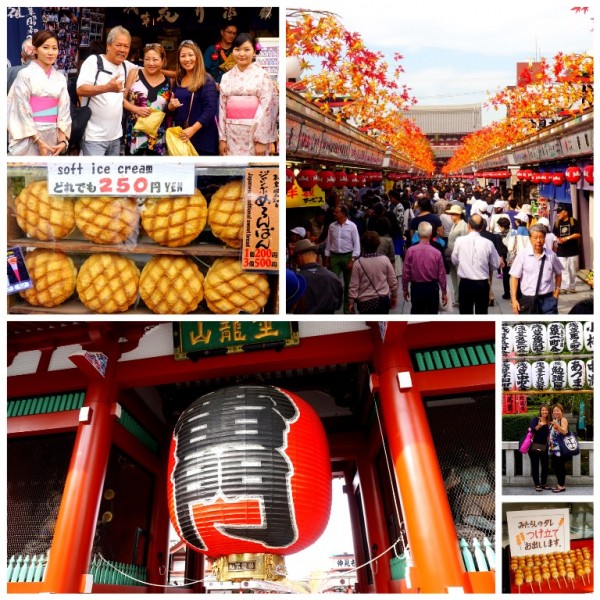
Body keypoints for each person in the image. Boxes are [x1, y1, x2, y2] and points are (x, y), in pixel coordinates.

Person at [7, 30, 71, 156]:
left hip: (53, 135)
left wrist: (63, 140)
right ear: (35, 50)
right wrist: (38, 140)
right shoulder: (25, 74)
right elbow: (21, 108)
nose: (51, 52)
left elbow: (64, 111)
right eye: (45, 47)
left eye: (54, 48)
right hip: (29, 136)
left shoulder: (60, 78)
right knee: (29, 173)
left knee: (47, 174)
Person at [218, 33, 278, 156]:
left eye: (246, 49)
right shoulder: (226, 77)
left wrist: (261, 140)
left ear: (254, 52)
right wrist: (222, 138)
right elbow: (222, 108)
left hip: (254, 134)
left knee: (254, 170)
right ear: (232, 51)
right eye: (237, 49)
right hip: (231, 133)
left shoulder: (262, 76)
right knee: (234, 171)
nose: (241, 54)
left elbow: (268, 107)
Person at [76, 26, 131, 156]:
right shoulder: (94, 62)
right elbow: (80, 89)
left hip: (116, 136)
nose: (122, 50)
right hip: (93, 137)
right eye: (119, 45)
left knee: (110, 175)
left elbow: (150, 68)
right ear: (108, 45)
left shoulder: (125, 65)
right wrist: (107, 87)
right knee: (93, 175)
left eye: (126, 46)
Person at [168, 40, 219, 156]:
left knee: (203, 174)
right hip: (183, 140)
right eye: (183, 56)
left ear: (197, 56)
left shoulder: (206, 79)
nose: (187, 59)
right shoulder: (179, 80)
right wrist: (171, 107)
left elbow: (210, 110)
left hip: (203, 140)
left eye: (190, 55)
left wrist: (192, 129)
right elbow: (172, 111)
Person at [123, 43, 171, 155]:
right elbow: (121, 100)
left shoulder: (169, 81)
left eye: (155, 59)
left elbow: (169, 110)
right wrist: (135, 109)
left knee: (155, 171)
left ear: (163, 61)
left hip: (157, 137)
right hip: (134, 134)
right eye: (147, 59)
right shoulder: (134, 73)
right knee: (133, 170)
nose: (151, 63)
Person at [451, 214, 500, 314]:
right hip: (482, 284)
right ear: (482, 227)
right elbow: (495, 264)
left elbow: (454, 260)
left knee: (465, 313)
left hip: (465, 283)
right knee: (481, 313)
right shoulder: (488, 243)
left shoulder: (459, 241)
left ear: (468, 225)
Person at [509, 223, 562, 314]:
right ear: (530, 239)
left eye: (541, 237)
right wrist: (514, 300)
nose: (538, 241)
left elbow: (559, 273)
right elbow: (514, 278)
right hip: (528, 299)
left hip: (548, 299)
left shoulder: (551, 255)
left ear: (545, 238)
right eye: (535, 237)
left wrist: (557, 292)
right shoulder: (522, 255)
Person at [402, 222, 447, 314]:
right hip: (432, 288)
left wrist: (405, 288)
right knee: (432, 315)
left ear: (418, 234)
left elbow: (406, 272)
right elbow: (441, 273)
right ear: (430, 234)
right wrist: (444, 291)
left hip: (416, 288)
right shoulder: (436, 252)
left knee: (416, 313)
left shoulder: (410, 251)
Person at [348, 231, 398, 314]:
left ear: (362, 245)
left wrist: (351, 302)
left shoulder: (358, 263)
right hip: (383, 300)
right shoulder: (385, 260)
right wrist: (394, 295)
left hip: (365, 303)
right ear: (377, 244)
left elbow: (354, 285)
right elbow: (392, 280)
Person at [325, 204, 361, 314]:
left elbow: (356, 244)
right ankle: (334, 306)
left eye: (337, 212)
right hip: (334, 256)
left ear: (344, 214)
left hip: (348, 256)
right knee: (334, 284)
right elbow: (328, 242)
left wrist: (352, 259)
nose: (334, 214)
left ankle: (347, 308)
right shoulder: (332, 226)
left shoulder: (352, 226)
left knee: (349, 285)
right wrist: (327, 259)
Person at [291, 239, 343, 314]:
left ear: (299, 258)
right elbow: (338, 305)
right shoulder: (333, 277)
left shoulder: (296, 280)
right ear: (316, 256)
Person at [552, 204, 581, 294]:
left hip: (572, 250)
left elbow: (578, 234)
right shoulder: (557, 223)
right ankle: (564, 287)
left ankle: (572, 287)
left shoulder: (573, 221)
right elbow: (554, 235)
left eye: (559, 212)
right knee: (562, 269)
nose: (557, 214)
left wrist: (567, 238)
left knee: (572, 269)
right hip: (561, 250)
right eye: (557, 212)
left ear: (565, 212)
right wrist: (557, 239)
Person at [203, 22, 238, 88]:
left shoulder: (237, 50)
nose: (232, 35)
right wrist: (212, 83)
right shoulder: (211, 50)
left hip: (233, 87)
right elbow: (202, 70)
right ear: (222, 32)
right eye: (229, 32)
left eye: (234, 33)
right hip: (213, 88)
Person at [445, 204, 468, 306]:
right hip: (452, 255)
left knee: (459, 278)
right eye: (451, 214)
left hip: (459, 256)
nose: (451, 216)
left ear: (459, 215)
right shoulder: (455, 224)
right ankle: (457, 298)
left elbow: (464, 242)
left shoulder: (463, 226)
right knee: (454, 278)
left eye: (453, 214)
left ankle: (461, 299)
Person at [527, 404, 551, 492]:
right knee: (535, 465)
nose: (544, 412)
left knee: (545, 465)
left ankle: (544, 483)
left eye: (546, 410)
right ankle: (537, 484)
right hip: (534, 447)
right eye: (543, 410)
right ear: (540, 411)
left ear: (549, 412)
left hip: (544, 447)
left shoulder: (550, 421)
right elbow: (532, 430)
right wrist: (539, 425)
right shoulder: (536, 419)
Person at [548, 403, 569, 493]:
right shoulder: (555, 420)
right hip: (554, 448)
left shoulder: (563, 419)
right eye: (554, 410)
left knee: (560, 467)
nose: (556, 412)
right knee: (556, 466)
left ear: (562, 411)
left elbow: (564, 432)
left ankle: (562, 486)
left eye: (558, 410)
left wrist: (557, 424)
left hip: (560, 448)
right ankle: (559, 484)